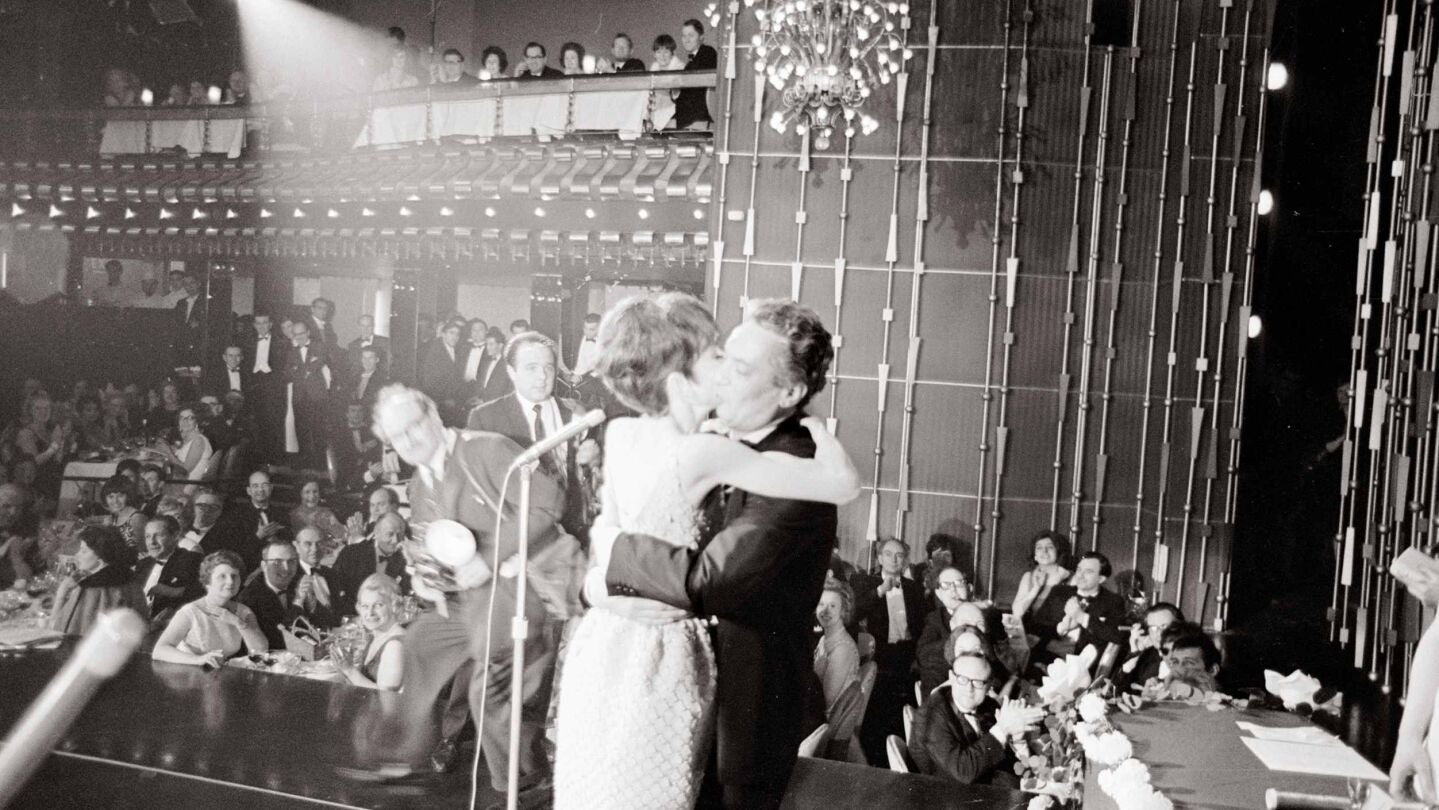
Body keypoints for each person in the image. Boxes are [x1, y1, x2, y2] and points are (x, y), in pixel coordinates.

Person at [556, 294, 858, 810]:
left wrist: (611, 550)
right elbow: (616, 536)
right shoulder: (701, 440)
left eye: (738, 366)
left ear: (789, 390)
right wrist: (599, 586)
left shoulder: (787, 464)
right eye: (720, 357)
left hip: (733, 719)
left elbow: (707, 583)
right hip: (650, 673)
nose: (724, 377)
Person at [358, 384, 563, 807]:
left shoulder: (486, 450)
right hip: (469, 601)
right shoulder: (420, 485)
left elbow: (549, 503)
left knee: (488, 692)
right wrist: (425, 577)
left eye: (414, 425)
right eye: (398, 436)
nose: (409, 439)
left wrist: (489, 558)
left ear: (434, 416)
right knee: (419, 644)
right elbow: (437, 549)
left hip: (523, 593)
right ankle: (400, 759)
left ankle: (524, 784)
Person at [467, 331, 596, 539]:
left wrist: (594, 461)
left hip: (573, 535)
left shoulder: (578, 414)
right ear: (511, 371)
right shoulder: (485, 419)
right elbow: (477, 491)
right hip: (517, 537)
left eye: (548, 367)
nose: (542, 376)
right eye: (531, 368)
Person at [908, 653, 1044, 786]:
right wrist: (1002, 729)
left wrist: (1018, 741)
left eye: (978, 682)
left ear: (989, 685)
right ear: (951, 677)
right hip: (948, 792)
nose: (969, 689)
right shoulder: (929, 715)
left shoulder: (988, 705)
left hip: (989, 785)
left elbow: (1001, 759)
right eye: (962, 679)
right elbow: (963, 771)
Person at [850, 537, 928, 764]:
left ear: (906, 560)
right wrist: (880, 591)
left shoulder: (913, 588)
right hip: (880, 656)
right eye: (888, 554)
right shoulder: (866, 583)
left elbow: (923, 626)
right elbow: (854, 612)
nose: (894, 560)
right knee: (875, 712)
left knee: (901, 712)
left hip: (907, 656)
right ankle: (874, 760)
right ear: (879, 558)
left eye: (899, 555)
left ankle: (896, 760)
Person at [153, 550, 270, 667]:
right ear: (208, 581)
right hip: (186, 671)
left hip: (218, 672)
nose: (230, 582)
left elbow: (260, 651)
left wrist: (238, 622)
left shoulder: (243, 612)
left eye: (234, 576)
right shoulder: (190, 611)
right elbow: (159, 650)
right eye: (222, 576)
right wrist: (199, 659)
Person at [1032, 551, 1128, 669]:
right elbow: (1035, 627)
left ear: (1101, 579)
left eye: (1088, 571)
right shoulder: (1059, 592)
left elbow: (1118, 637)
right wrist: (1061, 628)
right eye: (1079, 569)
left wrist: (1082, 618)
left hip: (1084, 667)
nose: (1080, 575)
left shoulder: (1113, 601)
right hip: (1047, 659)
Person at [238, 537, 337, 650]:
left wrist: (312, 605)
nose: (286, 568)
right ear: (264, 566)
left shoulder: (297, 582)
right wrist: (298, 601)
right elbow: (280, 639)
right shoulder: (249, 597)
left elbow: (328, 624)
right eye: (277, 562)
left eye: (291, 561)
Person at [51, 525, 149, 636]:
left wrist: (62, 593)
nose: (77, 555)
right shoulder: (131, 582)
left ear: (101, 556)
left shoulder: (91, 589)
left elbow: (56, 630)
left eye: (84, 551)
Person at [334, 573, 405, 691]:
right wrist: (345, 669)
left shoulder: (395, 645)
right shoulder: (377, 636)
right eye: (365, 606)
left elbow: (385, 696)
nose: (370, 613)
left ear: (394, 606)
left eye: (378, 605)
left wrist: (349, 671)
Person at [332, 510, 410, 617]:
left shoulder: (405, 560)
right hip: (355, 616)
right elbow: (335, 589)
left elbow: (407, 595)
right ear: (376, 533)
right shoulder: (351, 553)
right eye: (390, 534)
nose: (395, 540)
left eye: (399, 535)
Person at [135, 515, 203, 630]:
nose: (152, 542)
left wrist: (176, 592)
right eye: (148, 536)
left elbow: (205, 593)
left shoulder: (192, 560)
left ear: (175, 536)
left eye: (159, 535)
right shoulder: (143, 564)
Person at [285, 320, 333, 469]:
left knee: (318, 429)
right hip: (299, 396)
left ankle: (321, 462)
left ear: (308, 332)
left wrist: (300, 370)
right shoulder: (291, 352)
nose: (299, 337)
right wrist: (305, 370)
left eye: (301, 333)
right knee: (301, 428)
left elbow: (318, 363)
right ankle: (304, 461)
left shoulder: (319, 346)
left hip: (317, 395)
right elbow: (288, 372)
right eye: (295, 334)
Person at [918, 566, 972, 694]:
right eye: (946, 585)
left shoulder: (985, 616)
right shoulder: (935, 619)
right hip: (945, 682)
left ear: (969, 588)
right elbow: (924, 654)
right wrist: (955, 635)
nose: (953, 590)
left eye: (958, 583)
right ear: (939, 594)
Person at [244, 312, 288, 462]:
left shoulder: (281, 343)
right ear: (254, 325)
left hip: (274, 387)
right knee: (256, 423)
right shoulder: (247, 342)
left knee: (274, 422)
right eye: (258, 323)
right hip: (254, 386)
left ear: (270, 324)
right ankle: (258, 460)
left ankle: (275, 459)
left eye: (265, 323)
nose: (261, 326)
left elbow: (285, 368)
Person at [814, 579, 860, 717]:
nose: (825, 611)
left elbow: (824, 702)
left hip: (824, 723)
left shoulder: (842, 649)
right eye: (821, 604)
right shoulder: (824, 639)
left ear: (843, 611)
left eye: (833, 606)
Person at [1116, 602, 1183, 691]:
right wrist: (1135, 651)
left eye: (1164, 626)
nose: (1159, 633)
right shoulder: (1149, 654)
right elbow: (1117, 690)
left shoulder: (1193, 658)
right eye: (1153, 628)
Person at [1010, 530, 1072, 622]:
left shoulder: (1070, 577)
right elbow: (1017, 613)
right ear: (1035, 555)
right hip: (1032, 629)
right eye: (1039, 548)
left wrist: (1057, 581)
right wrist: (1036, 588)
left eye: (1050, 547)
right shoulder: (1028, 577)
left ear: (1058, 552)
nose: (1044, 551)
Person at [150, 407, 215, 485]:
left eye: (190, 418)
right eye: (181, 418)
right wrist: (167, 447)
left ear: (197, 421)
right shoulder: (190, 438)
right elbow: (183, 453)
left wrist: (168, 452)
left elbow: (185, 470)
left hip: (187, 484)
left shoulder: (198, 441)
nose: (185, 421)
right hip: (180, 479)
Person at [419, 320, 466, 426]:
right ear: (443, 334)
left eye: (457, 334)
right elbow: (429, 380)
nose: (455, 337)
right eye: (451, 333)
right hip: (439, 402)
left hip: (452, 402)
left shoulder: (457, 350)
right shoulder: (434, 350)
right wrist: (444, 400)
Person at [673, 19, 717, 131]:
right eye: (684, 36)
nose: (686, 40)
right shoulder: (691, 61)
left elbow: (699, 85)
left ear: (701, 37)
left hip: (698, 121)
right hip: (689, 121)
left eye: (691, 35)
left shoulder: (707, 52)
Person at [292, 527, 339, 620]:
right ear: (296, 546)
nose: (314, 549)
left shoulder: (331, 573)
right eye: (308, 544)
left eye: (319, 543)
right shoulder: (290, 577)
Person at [288, 479, 347, 549]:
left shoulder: (326, 513)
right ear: (300, 494)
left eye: (315, 492)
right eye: (307, 492)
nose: (312, 496)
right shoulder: (294, 515)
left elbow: (342, 535)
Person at [98, 475, 146, 554]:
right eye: (111, 497)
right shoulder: (114, 517)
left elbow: (139, 551)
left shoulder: (136, 518)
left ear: (129, 496)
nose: (115, 501)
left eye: (120, 496)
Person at [347, 314, 390, 378]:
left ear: (373, 326)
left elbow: (388, 364)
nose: (365, 329)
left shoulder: (384, 342)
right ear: (359, 327)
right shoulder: (353, 345)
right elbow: (353, 368)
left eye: (369, 326)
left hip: (380, 378)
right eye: (362, 326)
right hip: (360, 379)